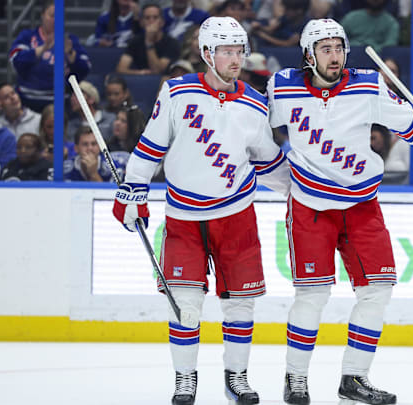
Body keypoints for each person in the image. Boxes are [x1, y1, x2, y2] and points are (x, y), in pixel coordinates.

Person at [266, 18, 413, 405]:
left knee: (377, 291)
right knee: (312, 296)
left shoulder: (367, 85)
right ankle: (296, 379)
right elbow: (251, 133)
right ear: (308, 54)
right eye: (325, 49)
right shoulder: (282, 87)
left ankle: (355, 378)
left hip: (361, 205)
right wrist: (278, 177)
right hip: (310, 208)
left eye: (338, 48)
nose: (335, 56)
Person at [111, 16, 290, 405]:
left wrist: (302, 192)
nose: (236, 58)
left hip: (237, 214)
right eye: (227, 50)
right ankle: (185, 378)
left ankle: (236, 377)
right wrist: (133, 191)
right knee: (185, 304)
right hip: (184, 218)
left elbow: (269, 161)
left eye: (239, 50)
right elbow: (150, 147)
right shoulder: (176, 93)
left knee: (241, 303)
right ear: (207, 53)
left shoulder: (255, 104)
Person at [9, 0, 91, 112]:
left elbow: (85, 69)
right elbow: (16, 60)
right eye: (52, 16)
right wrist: (42, 49)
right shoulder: (27, 36)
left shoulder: (70, 40)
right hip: (27, 99)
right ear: (42, 15)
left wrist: (70, 54)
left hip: (59, 101)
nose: (56, 20)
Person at [116, 3, 181, 75]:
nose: (151, 21)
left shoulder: (172, 43)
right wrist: (140, 73)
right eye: (147, 18)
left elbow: (157, 71)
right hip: (140, 81)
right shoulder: (135, 41)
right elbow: (120, 69)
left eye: (155, 17)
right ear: (141, 23)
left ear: (162, 22)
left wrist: (149, 42)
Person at [64, 126, 129, 182]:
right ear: (76, 148)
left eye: (94, 144)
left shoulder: (113, 169)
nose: (90, 148)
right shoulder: (65, 169)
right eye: (85, 144)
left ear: (99, 147)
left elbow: (110, 195)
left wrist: (93, 174)